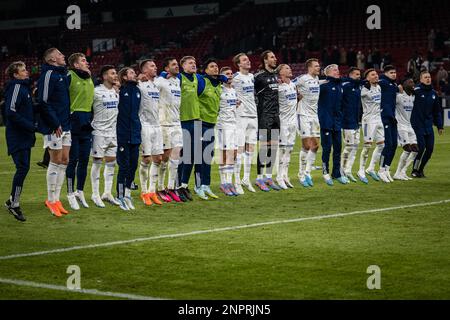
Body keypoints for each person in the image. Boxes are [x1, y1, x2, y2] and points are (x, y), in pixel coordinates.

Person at [37, 48, 71, 217]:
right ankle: (50, 200)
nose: (63, 56)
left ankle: (57, 199)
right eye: (59, 54)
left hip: (65, 125)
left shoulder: (62, 75)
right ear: (51, 59)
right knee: (55, 160)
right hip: (54, 125)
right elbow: (43, 101)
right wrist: (54, 122)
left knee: (65, 160)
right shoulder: (49, 74)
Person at [3, 61, 36, 222]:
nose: (26, 72)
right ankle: (14, 203)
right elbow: (11, 111)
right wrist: (31, 126)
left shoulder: (24, 88)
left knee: (24, 168)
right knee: (22, 168)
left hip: (25, 135)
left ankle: (12, 201)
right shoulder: (16, 87)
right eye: (23, 70)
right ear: (15, 74)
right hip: (17, 135)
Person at [66, 53, 95, 210]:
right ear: (75, 65)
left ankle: (80, 191)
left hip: (86, 123)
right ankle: (70, 193)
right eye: (83, 61)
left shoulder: (89, 77)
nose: (87, 63)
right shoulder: (69, 76)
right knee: (73, 160)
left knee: (84, 160)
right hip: (73, 122)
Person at [90, 65, 121, 207]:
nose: (115, 76)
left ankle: (107, 193)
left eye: (116, 73)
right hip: (99, 132)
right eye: (112, 73)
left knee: (111, 162)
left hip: (112, 133)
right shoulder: (96, 92)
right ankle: (95, 194)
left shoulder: (116, 92)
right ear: (104, 76)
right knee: (97, 162)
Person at [153, 57, 183, 203]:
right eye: (173, 65)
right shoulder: (160, 82)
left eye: (177, 64)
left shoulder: (178, 82)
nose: (177, 66)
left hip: (177, 123)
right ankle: (159, 187)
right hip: (164, 124)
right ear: (166, 69)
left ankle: (171, 187)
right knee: (164, 158)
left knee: (176, 156)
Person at [193, 58, 223, 200]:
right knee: (199, 157)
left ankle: (206, 185)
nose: (215, 68)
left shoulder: (218, 84)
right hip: (201, 123)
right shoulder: (202, 81)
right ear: (205, 70)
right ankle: (198, 186)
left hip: (212, 124)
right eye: (211, 66)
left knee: (208, 157)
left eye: (216, 66)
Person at [137, 59, 164, 206]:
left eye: (155, 65)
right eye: (152, 66)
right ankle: (144, 191)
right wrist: (137, 79)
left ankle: (152, 191)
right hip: (145, 125)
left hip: (156, 125)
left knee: (158, 159)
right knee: (146, 159)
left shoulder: (155, 85)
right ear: (144, 70)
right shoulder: (139, 85)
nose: (155, 67)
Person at [254, 50, 281, 191]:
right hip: (264, 116)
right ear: (265, 60)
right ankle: (259, 178)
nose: (275, 59)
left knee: (273, 147)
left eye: (274, 56)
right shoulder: (258, 77)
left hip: (276, 116)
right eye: (272, 57)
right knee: (264, 147)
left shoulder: (276, 76)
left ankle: (269, 177)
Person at [115, 67, 141, 211]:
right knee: (123, 167)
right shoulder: (119, 91)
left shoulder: (137, 91)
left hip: (135, 134)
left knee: (133, 166)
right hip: (123, 134)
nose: (134, 74)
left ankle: (127, 195)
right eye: (131, 73)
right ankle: (119, 195)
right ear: (124, 77)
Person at [318, 64, 348, 186]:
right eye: (335, 70)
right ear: (328, 73)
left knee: (338, 149)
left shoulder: (340, 85)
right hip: (326, 122)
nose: (338, 71)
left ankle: (337, 173)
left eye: (338, 69)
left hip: (337, 123)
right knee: (327, 148)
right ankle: (325, 172)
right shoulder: (322, 85)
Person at [232, 53, 258, 193]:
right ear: (238, 64)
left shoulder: (252, 77)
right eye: (244, 60)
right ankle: (236, 181)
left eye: (248, 59)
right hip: (241, 116)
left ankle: (246, 179)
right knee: (240, 150)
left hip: (253, 115)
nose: (248, 61)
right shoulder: (236, 78)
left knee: (251, 149)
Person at [411, 71, 444, 177]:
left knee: (429, 150)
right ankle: (414, 170)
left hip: (428, 126)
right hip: (417, 125)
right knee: (421, 148)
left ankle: (420, 170)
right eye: (425, 77)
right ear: (421, 79)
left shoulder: (434, 93)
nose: (428, 79)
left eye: (429, 77)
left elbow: (437, 112)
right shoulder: (415, 91)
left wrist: (439, 126)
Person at [294, 58, 321, 187]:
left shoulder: (316, 80)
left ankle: (308, 172)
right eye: (316, 66)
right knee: (306, 146)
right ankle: (301, 174)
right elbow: (289, 84)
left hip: (314, 116)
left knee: (315, 146)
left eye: (319, 66)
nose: (318, 68)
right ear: (309, 68)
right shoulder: (302, 79)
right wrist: (296, 96)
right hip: (303, 115)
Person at [357, 69, 384, 183]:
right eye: (372, 75)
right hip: (369, 120)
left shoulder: (378, 88)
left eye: (376, 74)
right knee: (367, 145)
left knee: (382, 145)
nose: (376, 76)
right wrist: (363, 83)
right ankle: (361, 170)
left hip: (379, 119)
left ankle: (371, 168)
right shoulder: (364, 89)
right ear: (367, 78)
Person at [217, 66, 239, 196]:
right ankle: (224, 182)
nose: (230, 76)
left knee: (234, 153)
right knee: (226, 153)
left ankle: (228, 182)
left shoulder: (233, 90)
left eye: (231, 73)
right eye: (227, 74)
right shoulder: (219, 89)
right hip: (223, 125)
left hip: (234, 124)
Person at [275, 64, 297, 189]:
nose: (290, 70)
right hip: (283, 122)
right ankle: (278, 176)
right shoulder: (278, 87)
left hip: (293, 123)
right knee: (282, 151)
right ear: (281, 72)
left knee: (289, 150)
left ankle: (285, 175)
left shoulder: (293, 85)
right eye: (287, 68)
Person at [378, 65, 400, 183]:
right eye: (391, 72)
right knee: (388, 144)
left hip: (392, 118)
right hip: (384, 118)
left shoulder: (393, 85)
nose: (394, 74)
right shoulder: (382, 82)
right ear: (385, 73)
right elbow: (370, 82)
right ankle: (380, 170)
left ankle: (387, 169)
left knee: (394, 145)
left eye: (395, 72)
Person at [393, 78, 418, 180]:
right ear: (404, 85)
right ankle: (397, 173)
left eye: (413, 82)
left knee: (416, 150)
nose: (413, 84)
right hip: (401, 126)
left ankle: (403, 172)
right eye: (410, 82)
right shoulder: (398, 97)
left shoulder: (412, 97)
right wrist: (396, 89)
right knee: (407, 149)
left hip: (409, 126)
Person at [340, 67, 362, 182]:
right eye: (357, 74)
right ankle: (342, 169)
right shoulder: (346, 85)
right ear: (350, 75)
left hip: (356, 121)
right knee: (349, 146)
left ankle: (348, 170)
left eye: (360, 74)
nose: (359, 76)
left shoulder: (358, 87)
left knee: (356, 146)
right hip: (347, 121)